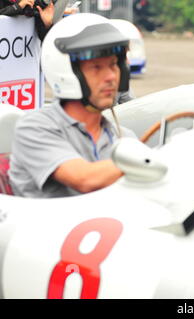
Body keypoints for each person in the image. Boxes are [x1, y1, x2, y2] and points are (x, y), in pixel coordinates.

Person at [8, 13, 137, 198]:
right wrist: (153, 158)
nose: (111, 76)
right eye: (96, 67)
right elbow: (84, 179)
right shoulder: (34, 128)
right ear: (66, 72)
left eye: (114, 65)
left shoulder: (122, 136)